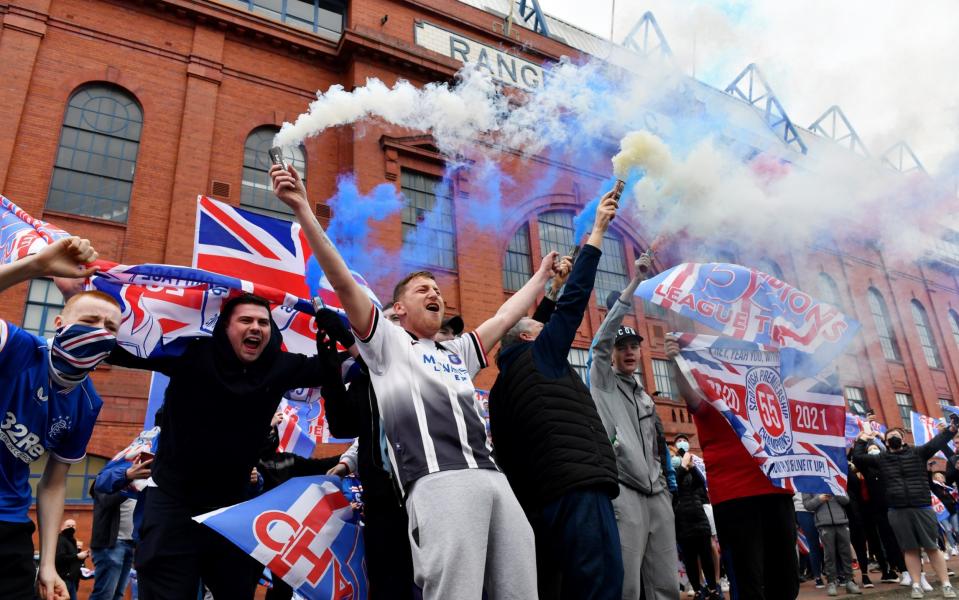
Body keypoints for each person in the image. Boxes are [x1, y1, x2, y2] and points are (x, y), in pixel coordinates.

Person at [271, 163, 565, 599]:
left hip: (492, 478)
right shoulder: (385, 345)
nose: (435, 295)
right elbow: (341, 279)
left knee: (521, 590)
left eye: (437, 291)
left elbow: (506, 317)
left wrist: (541, 277)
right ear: (399, 310)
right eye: (422, 289)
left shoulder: (458, 351)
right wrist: (301, 207)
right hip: (437, 483)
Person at [107, 293, 345, 600]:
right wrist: (80, 299)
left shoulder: (281, 366)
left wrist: (336, 333)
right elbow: (125, 349)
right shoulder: (191, 354)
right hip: (173, 502)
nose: (256, 327)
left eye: (263, 322)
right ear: (225, 327)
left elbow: (336, 368)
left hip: (233, 508)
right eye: (246, 320)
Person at [488, 191, 623, 600]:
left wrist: (549, 292)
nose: (553, 337)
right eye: (541, 332)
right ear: (530, 338)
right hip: (579, 487)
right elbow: (573, 306)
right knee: (601, 586)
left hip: (540, 504)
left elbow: (536, 327)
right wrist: (597, 232)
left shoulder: (503, 385)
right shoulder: (540, 355)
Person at [0, 236, 120, 600]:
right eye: (89, 320)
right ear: (59, 323)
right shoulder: (18, 347)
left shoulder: (87, 404)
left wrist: (48, 563)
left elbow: (53, 483)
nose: (99, 330)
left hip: (9, 525)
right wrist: (36, 266)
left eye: (110, 327)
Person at [664, 335, 799, 600]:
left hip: (777, 490)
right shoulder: (711, 400)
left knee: (785, 579)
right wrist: (676, 361)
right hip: (735, 497)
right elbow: (690, 396)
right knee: (749, 581)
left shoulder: (767, 393)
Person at [587, 253, 676, 600]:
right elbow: (599, 344)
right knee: (625, 585)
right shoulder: (603, 382)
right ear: (612, 352)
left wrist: (667, 489)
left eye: (633, 347)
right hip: (625, 492)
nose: (628, 352)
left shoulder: (646, 396)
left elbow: (658, 449)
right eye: (621, 347)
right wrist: (635, 283)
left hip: (658, 496)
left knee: (665, 582)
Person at [853, 425, 957, 599]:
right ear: (885, 442)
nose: (893, 437)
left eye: (896, 435)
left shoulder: (918, 452)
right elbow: (858, 458)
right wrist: (863, 439)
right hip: (897, 508)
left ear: (903, 439)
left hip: (921, 506)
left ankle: (946, 584)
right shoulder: (881, 459)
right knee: (909, 549)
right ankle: (916, 584)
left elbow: (937, 442)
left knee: (932, 546)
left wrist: (952, 429)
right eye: (890, 436)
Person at [673, 446, 721, 599]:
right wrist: (681, 467)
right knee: (690, 560)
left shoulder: (688, 474)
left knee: (706, 557)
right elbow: (675, 486)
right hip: (682, 524)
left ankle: (713, 589)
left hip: (699, 520)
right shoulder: (671, 475)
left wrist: (691, 467)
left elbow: (701, 481)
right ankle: (698, 590)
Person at [801, 492, 861, 596]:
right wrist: (819, 499)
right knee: (829, 554)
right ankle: (831, 582)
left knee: (846, 553)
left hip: (841, 521)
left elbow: (846, 500)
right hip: (824, 524)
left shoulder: (835, 479)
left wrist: (836, 493)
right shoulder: (809, 483)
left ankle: (849, 581)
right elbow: (807, 506)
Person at [55, 519, 87, 600]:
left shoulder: (72, 541)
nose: (71, 528)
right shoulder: (60, 540)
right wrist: (77, 556)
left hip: (73, 580)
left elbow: (74, 560)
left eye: (73, 526)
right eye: (68, 526)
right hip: (64, 579)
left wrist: (82, 556)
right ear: (62, 528)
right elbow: (59, 558)